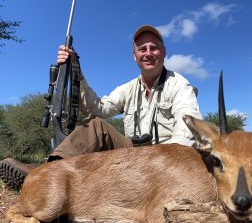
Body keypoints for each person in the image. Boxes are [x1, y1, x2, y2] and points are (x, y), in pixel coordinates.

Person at [0, 25, 202, 190]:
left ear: (164, 52)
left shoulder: (179, 84)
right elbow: (98, 109)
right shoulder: (129, 88)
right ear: (134, 56)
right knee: (96, 125)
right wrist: (75, 72)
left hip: (164, 160)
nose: (148, 53)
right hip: (132, 155)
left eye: (154, 48)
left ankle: (53, 178)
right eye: (142, 49)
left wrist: (161, 166)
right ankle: (47, 173)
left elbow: (189, 128)